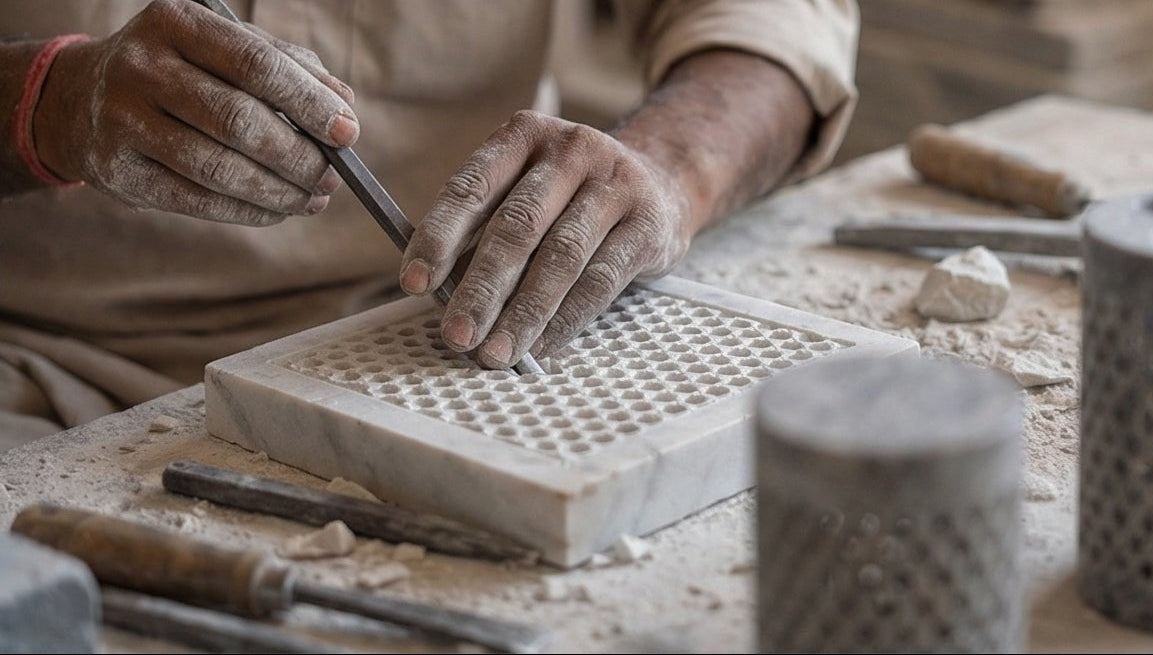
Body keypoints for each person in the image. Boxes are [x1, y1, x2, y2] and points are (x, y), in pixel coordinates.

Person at [0, 0, 858, 448]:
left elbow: (777, 21)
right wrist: (48, 102)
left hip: (429, 335)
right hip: (46, 366)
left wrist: (670, 166)